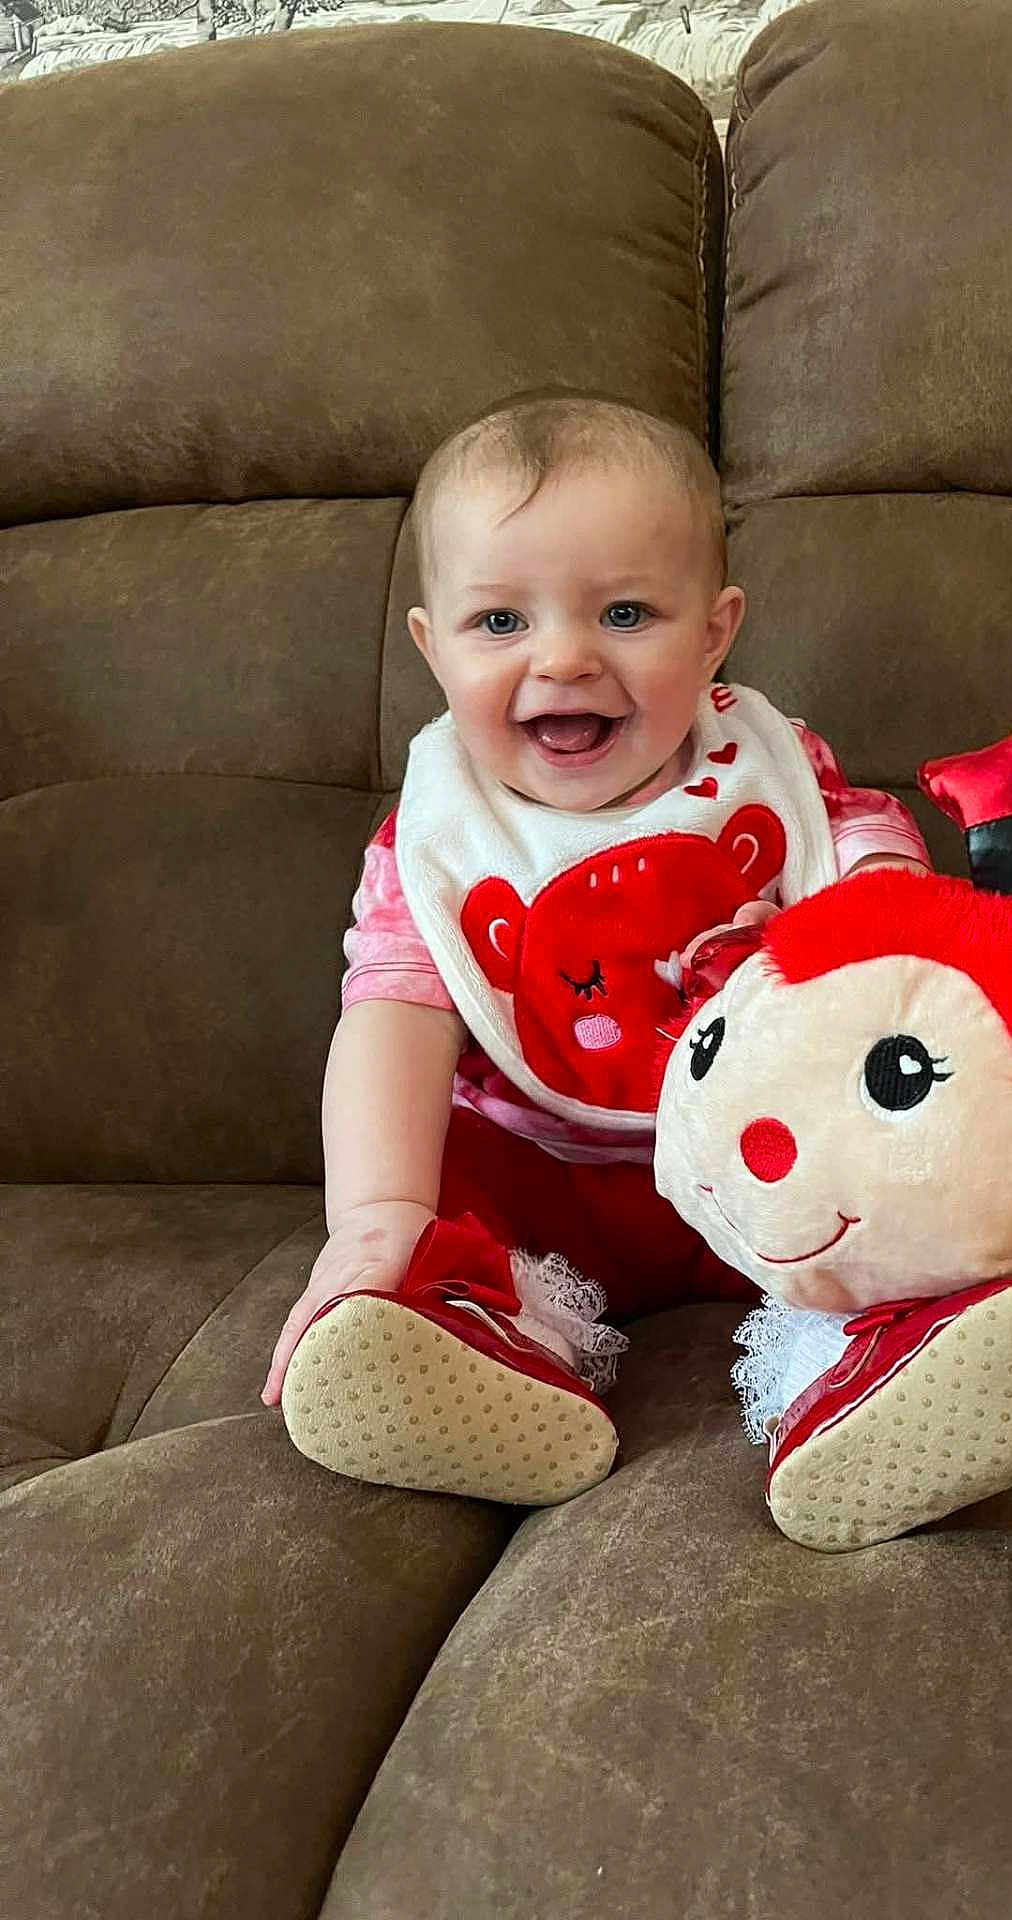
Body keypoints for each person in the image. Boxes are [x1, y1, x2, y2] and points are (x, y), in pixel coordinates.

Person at [260, 393, 931, 1508]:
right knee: (448, 1199)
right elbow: (393, 1022)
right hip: (544, 1176)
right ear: (431, 646)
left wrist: (853, 915)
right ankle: (476, 1353)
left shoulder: (767, 767)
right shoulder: (441, 835)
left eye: (625, 614)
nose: (564, 659)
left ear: (714, 631)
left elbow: (875, 868)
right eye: (500, 623)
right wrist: (376, 1217)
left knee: (908, 1186)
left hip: (758, 1167)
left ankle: (872, 1379)